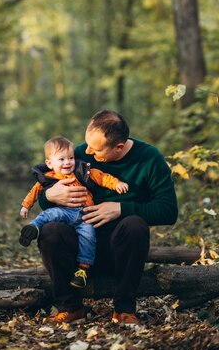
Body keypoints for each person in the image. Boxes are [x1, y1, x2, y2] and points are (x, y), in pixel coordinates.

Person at [36, 110, 178, 326]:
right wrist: (48, 196)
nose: (88, 152)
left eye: (96, 149)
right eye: (87, 145)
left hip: (118, 251)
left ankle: (124, 309)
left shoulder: (149, 159)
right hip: (77, 251)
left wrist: (121, 208)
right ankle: (71, 308)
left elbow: (168, 210)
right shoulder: (80, 154)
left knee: (135, 225)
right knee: (50, 230)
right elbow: (46, 191)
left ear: (118, 146)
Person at [19, 135, 128, 288]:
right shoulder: (48, 177)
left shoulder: (81, 171)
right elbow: (35, 192)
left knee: (89, 238)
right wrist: (26, 206)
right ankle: (33, 227)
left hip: (85, 214)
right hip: (64, 211)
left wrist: (116, 183)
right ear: (49, 163)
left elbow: (101, 177)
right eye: (61, 159)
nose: (68, 162)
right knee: (49, 215)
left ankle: (83, 270)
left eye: (70, 158)